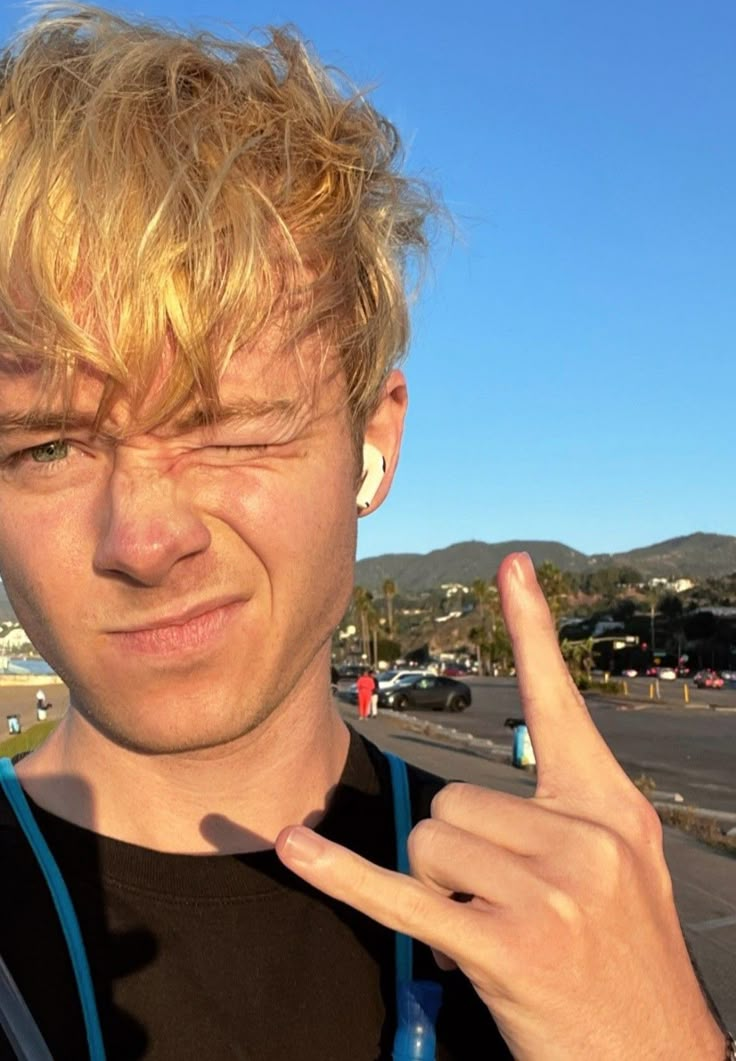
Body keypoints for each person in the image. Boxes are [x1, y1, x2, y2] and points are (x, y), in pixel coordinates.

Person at [0, 6, 728, 1060]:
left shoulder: (569, 921)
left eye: (229, 428)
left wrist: (657, 1035)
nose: (144, 539)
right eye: (50, 447)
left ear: (371, 446)